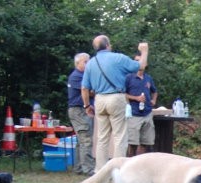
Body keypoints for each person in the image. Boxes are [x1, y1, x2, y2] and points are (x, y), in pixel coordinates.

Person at [81, 35, 148, 171]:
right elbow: (140, 66)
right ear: (108, 45)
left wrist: (87, 105)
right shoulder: (118, 58)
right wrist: (144, 51)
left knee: (102, 137)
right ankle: (117, 170)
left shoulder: (91, 63)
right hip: (116, 98)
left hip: (99, 99)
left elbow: (84, 88)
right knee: (119, 136)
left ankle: (100, 170)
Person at [125, 52, 158, 156]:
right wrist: (136, 98)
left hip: (147, 113)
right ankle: (130, 164)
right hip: (134, 113)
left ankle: (142, 164)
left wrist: (153, 100)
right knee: (132, 143)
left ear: (145, 64)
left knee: (146, 142)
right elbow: (122, 94)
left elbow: (155, 91)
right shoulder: (129, 77)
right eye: (136, 61)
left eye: (141, 61)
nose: (139, 63)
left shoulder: (148, 78)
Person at [67, 52, 95, 175]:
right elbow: (90, 92)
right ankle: (88, 169)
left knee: (81, 141)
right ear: (77, 63)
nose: (88, 64)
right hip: (78, 110)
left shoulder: (84, 75)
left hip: (81, 110)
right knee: (86, 140)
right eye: (85, 62)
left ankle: (78, 167)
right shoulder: (77, 76)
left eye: (89, 61)